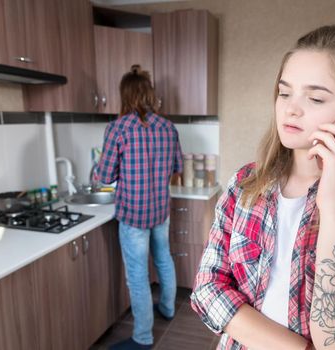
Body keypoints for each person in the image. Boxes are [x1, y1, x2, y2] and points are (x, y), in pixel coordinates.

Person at [190, 25, 335, 350]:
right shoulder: (245, 184)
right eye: (285, 92)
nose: (291, 108)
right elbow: (207, 289)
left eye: (315, 97)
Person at [96, 64, 183, 350]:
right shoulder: (168, 127)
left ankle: (143, 338)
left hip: (133, 214)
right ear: (149, 94)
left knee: (137, 275)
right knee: (163, 258)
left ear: (125, 96)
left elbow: (105, 176)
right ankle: (168, 309)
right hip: (160, 209)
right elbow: (177, 168)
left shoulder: (117, 128)